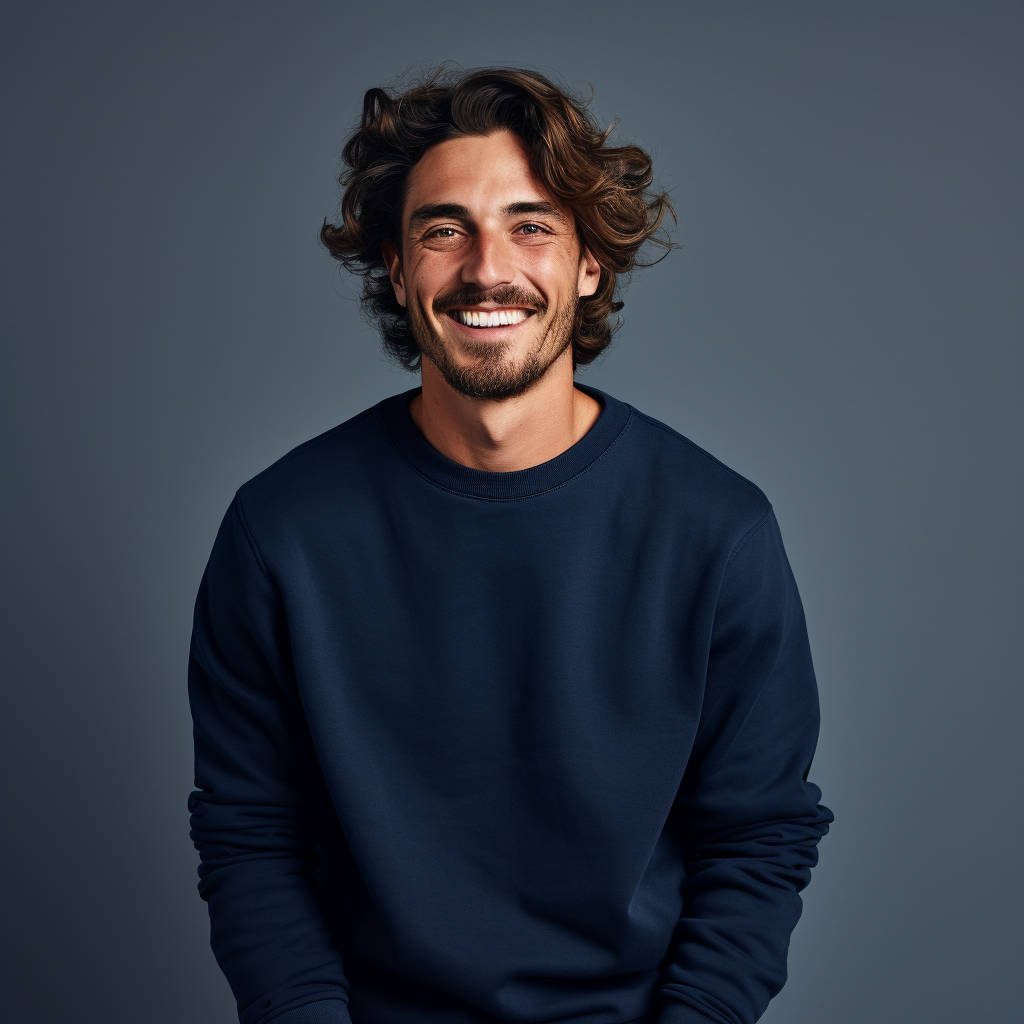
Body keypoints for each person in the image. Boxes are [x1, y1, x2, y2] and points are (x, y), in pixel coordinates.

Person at [187, 67, 832, 1024]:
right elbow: (252, 837)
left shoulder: (717, 530)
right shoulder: (280, 532)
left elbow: (758, 839)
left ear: (589, 265)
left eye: (532, 225)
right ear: (399, 269)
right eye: (444, 229)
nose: (489, 268)